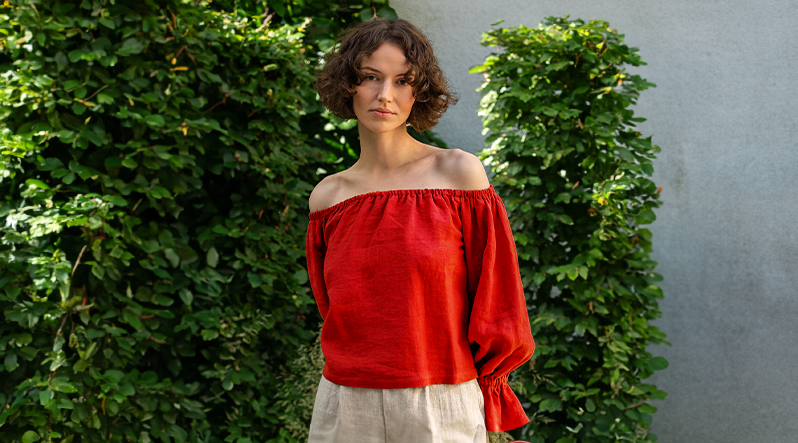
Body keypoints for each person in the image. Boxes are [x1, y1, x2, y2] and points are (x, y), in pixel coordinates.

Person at [305, 17, 535, 443]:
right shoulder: (327, 199)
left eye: (402, 81)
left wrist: (489, 387)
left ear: (419, 92)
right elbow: (333, 309)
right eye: (370, 77)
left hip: (441, 400)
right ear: (348, 84)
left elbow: (499, 298)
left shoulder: (459, 175)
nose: (385, 95)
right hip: (344, 402)